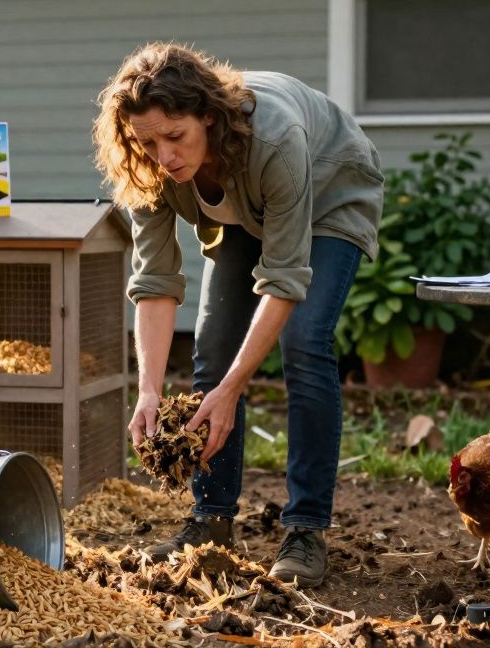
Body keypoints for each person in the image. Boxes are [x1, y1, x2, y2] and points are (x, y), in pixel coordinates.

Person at [92, 43, 384, 586]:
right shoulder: (150, 168)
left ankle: (305, 529)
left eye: (175, 137)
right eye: (147, 141)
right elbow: (155, 282)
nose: (164, 155)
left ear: (208, 115)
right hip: (247, 210)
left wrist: (232, 392)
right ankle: (211, 520)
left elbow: (286, 278)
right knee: (213, 349)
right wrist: (149, 390)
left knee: (305, 341)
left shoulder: (272, 138)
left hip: (330, 193)